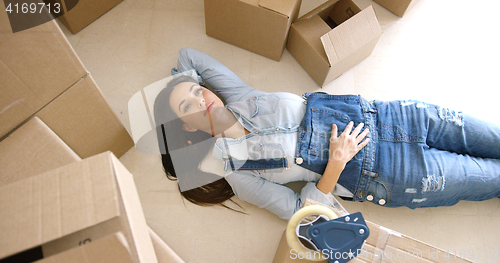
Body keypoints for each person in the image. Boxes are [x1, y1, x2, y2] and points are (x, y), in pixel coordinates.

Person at [152, 48, 500, 220]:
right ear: (187, 127)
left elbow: (188, 55)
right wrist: (335, 163)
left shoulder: (241, 97)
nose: (202, 100)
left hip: (398, 116)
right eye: (187, 108)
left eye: (197, 91)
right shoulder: (238, 173)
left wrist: (178, 84)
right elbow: (302, 210)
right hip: (389, 174)